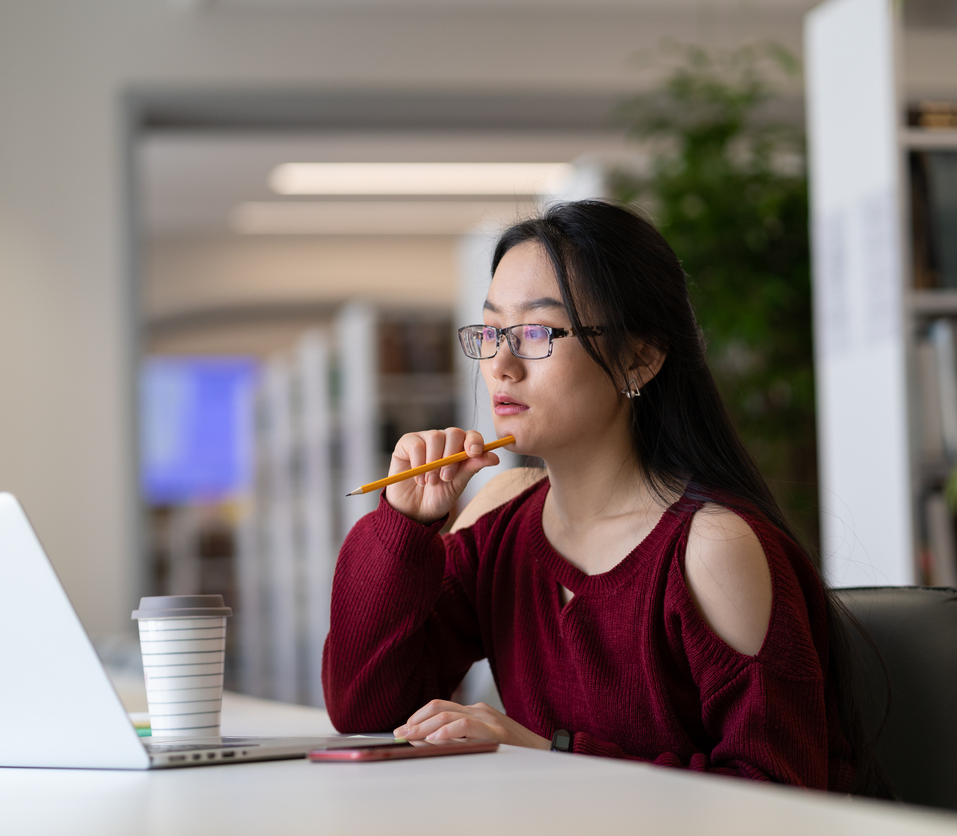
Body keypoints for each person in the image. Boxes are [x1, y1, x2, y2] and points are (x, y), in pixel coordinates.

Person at [322, 199, 885, 794]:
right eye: (491, 332)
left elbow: (779, 796)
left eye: (537, 332)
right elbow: (364, 711)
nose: (501, 366)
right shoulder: (502, 517)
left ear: (640, 357)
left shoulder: (712, 547)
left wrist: (551, 756)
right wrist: (403, 527)